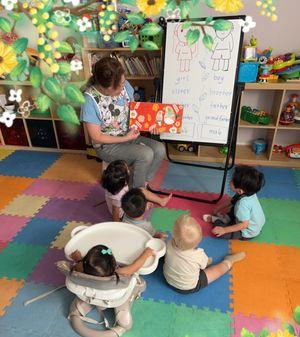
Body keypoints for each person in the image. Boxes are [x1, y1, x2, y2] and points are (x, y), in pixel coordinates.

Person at [80, 57, 166, 188]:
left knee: (160, 149)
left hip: (128, 136)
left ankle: (143, 184)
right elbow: (96, 137)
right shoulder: (89, 100)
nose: (123, 86)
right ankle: (136, 193)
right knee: (146, 154)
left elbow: (136, 112)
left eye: (123, 81)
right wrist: (125, 138)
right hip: (106, 146)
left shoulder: (124, 85)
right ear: (105, 88)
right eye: (119, 86)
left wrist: (151, 124)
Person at [163, 215, 245, 293]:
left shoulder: (168, 243)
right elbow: (204, 265)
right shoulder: (198, 254)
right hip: (188, 287)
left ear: (173, 234)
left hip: (168, 280)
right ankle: (228, 261)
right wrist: (207, 262)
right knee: (216, 271)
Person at [203, 166, 265, 240]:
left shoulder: (242, 205)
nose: (230, 181)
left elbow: (243, 225)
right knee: (234, 207)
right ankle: (227, 219)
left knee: (218, 233)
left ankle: (216, 220)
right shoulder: (248, 192)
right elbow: (232, 200)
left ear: (240, 191)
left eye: (232, 180)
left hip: (248, 231)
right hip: (252, 222)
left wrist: (224, 230)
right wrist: (218, 208)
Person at [102, 160, 172, 222]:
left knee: (140, 190)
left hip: (124, 201)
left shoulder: (112, 181)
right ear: (124, 180)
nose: (129, 169)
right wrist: (120, 224)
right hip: (125, 213)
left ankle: (161, 201)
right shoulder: (117, 197)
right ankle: (145, 207)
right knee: (138, 201)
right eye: (127, 170)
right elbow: (115, 213)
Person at [70, 244, 154, 278]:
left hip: (93, 293)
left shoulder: (82, 269)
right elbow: (133, 268)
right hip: (112, 295)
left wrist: (78, 259)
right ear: (113, 263)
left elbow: (80, 264)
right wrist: (146, 254)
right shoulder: (117, 272)